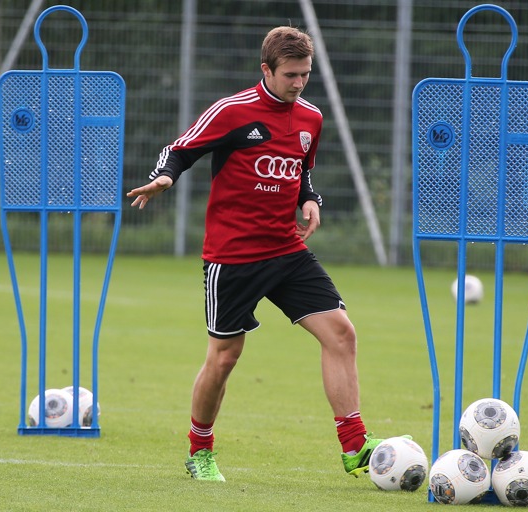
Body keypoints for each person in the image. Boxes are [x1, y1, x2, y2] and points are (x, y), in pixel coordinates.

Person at [127, 26, 402, 482]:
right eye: (291, 74)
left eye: (305, 74)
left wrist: (309, 199)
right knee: (224, 357)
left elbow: (303, 170)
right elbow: (180, 150)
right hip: (232, 256)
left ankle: (355, 446)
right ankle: (200, 451)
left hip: (287, 250)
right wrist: (165, 178)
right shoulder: (232, 111)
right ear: (266, 70)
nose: (299, 83)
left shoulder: (311, 117)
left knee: (341, 333)